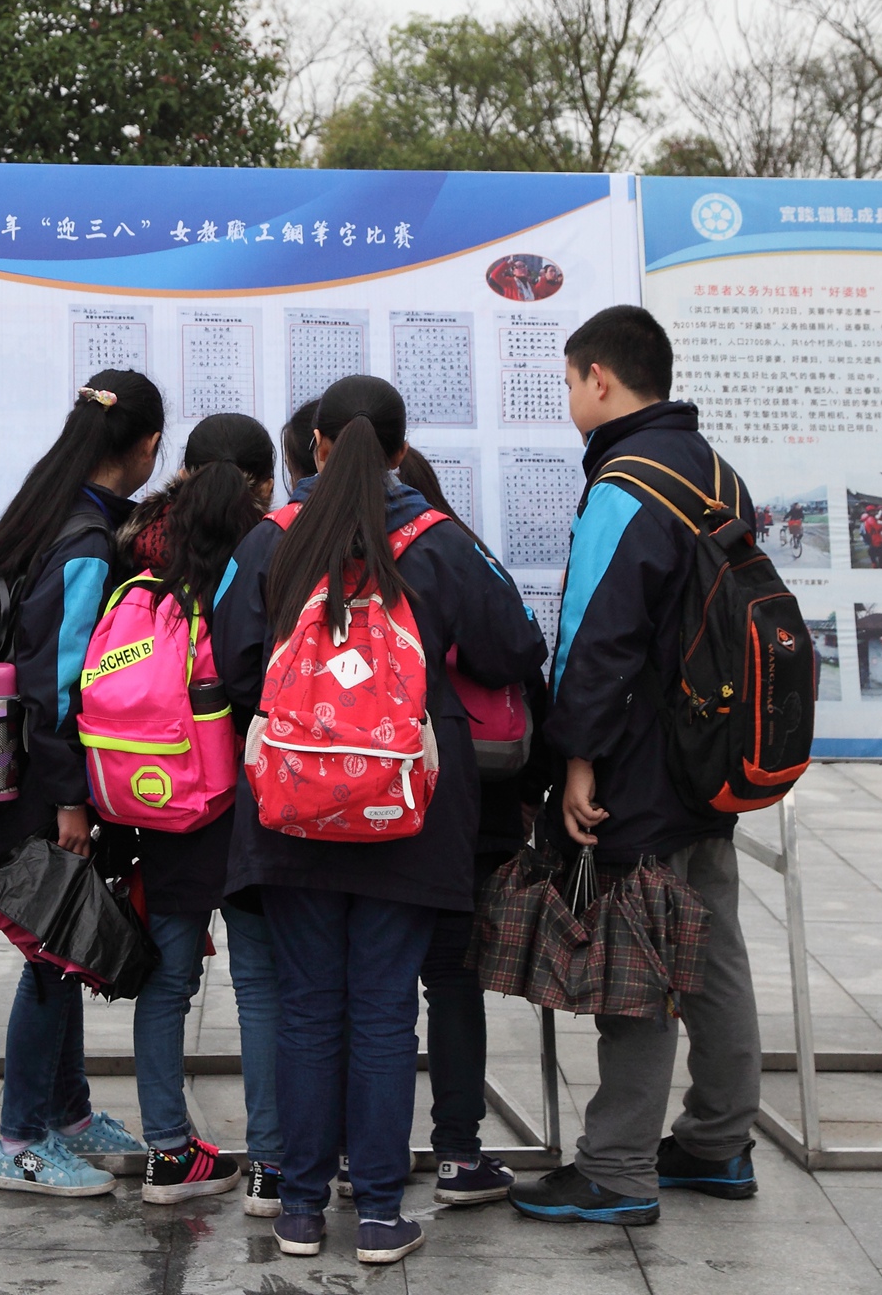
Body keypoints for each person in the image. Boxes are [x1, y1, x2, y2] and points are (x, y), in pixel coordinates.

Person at [213, 376, 544, 1265]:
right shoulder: (439, 541)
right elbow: (516, 646)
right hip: (409, 807)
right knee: (387, 1011)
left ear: (316, 446)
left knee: (308, 1009)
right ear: (400, 451)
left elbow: (233, 665)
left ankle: (300, 1210)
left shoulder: (271, 540)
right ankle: (382, 1216)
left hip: (291, 808)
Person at [508, 304, 762, 1228]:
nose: (570, 398)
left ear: (600, 379)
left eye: (569, 382)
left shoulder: (625, 481)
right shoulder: (716, 472)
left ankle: (617, 1170)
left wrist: (576, 756)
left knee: (637, 961)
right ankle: (719, 1141)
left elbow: (597, 634)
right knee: (715, 949)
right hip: (710, 755)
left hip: (642, 764)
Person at [0, 370, 164, 1199]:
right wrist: (71, 803)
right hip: (45, 785)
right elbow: (57, 684)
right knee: (51, 956)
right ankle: (19, 1139)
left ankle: (69, 1114)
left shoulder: (49, 508)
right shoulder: (86, 541)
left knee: (67, 942)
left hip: (15, 769)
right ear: (148, 446)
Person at [110, 413, 275, 1209]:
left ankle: (169, 1154)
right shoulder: (269, 555)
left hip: (166, 796)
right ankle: (274, 1164)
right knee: (261, 986)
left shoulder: (140, 556)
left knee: (168, 980)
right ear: (260, 487)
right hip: (252, 798)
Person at [394, 445, 548, 1211]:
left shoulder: (348, 562)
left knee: (382, 983)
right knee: (452, 980)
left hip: (377, 798)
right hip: (474, 799)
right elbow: (521, 654)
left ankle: (368, 1152)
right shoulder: (463, 552)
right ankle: (458, 1155)